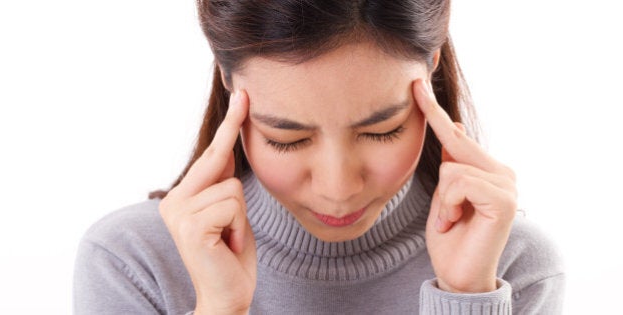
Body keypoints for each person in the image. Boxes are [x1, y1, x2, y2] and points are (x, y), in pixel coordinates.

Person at [73, 1, 564, 314]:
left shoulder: (510, 265)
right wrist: (219, 308)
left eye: (381, 131)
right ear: (227, 78)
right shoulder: (133, 261)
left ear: (432, 66)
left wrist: (467, 298)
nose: (338, 187)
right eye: (287, 138)